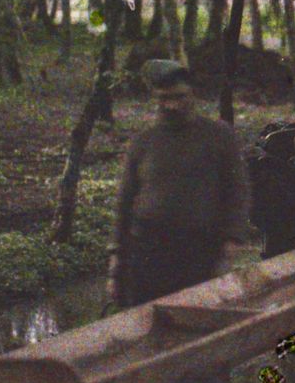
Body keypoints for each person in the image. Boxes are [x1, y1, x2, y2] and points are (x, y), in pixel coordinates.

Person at [107, 60, 252, 311]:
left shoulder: (218, 137)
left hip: (198, 252)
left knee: (195, 320)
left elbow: (237, 190)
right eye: (164, 98)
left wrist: (232, 240)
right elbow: (125, 200)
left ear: (193, 95)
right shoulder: (144, 142)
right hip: (147, 252)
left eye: (179, 97)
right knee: (143, 320)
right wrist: (116, 256)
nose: (171, 105)